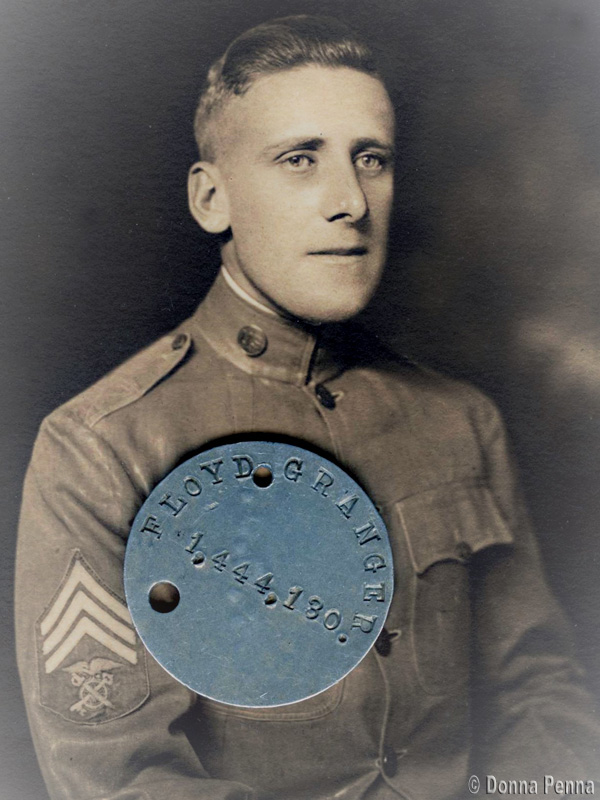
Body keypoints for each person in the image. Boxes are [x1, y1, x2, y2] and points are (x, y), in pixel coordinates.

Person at [15, 14, 600, 800]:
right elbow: (123, 780)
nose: (351, 202)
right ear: (212, 197)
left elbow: (541, 690)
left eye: (372, 159)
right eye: (300, 159)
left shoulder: (460, 421)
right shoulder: (101, 446)